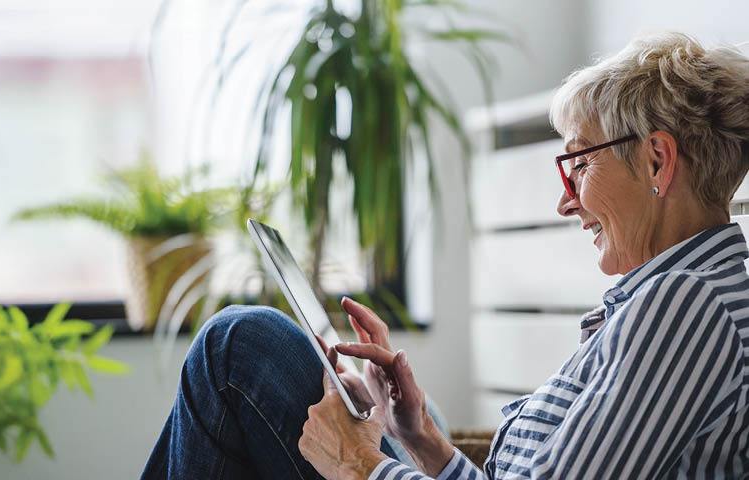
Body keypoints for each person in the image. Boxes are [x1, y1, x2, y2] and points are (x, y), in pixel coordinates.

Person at [142, 32, 749, 479]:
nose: (565, 201)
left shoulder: (687, 305)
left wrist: (359, 465)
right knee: (242, 347)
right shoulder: (675, 298)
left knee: (238, 346)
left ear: (658, 161)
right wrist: (421, 435)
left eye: (579, 162)